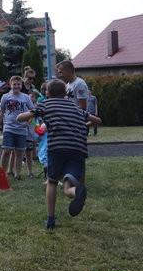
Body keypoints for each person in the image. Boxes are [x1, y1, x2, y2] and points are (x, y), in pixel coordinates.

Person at [17, 79, 101, 229]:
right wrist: (85, 123)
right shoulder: (75, 107)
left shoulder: (46, 104)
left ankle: (50, 220)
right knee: (68, 187)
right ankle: (75, 191)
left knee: (52, 182)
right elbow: (97, 120)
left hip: (57, 148)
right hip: (78, 148)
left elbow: (22, 117)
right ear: (65, 93)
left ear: (47, 93)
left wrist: (23, 116)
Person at [0, 75, 34, 181]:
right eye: (14, 84)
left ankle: (17, 174)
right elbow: (1, 111)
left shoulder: (25, 97)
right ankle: (2, 173)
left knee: (19, 152)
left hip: (21, 129)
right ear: (10, 84)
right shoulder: (5, 97)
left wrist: (28, 122)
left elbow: (33, 111)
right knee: (6, 151)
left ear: (21, 85)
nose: (16, 86)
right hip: (9, 127)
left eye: (18, 84)